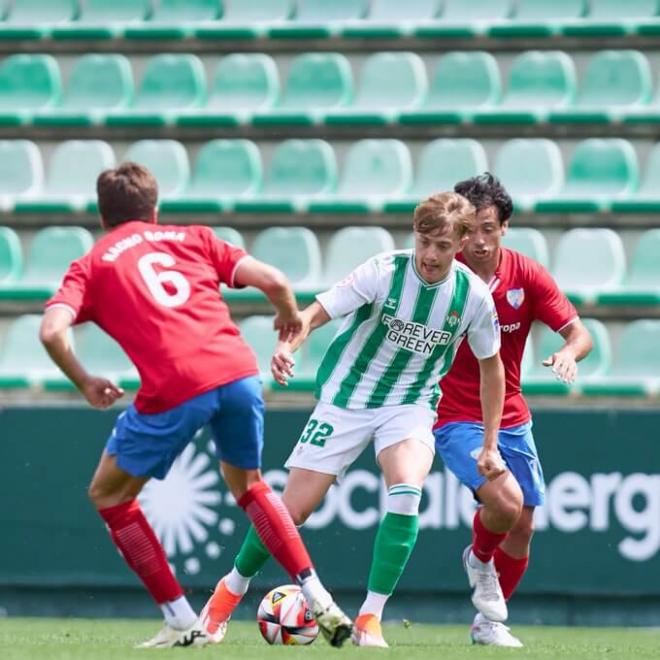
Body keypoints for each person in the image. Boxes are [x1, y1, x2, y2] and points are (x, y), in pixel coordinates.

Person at [39, 162, 352, 649]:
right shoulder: (193, 237)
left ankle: (182, 619)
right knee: (250, 487)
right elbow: (273, 279)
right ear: (155, 209)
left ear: (102, 217)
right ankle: (318, 595)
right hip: (238, 372)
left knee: (110, 494)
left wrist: (84, 381)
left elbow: (51, 331)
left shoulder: (94, 263)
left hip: (177, 383)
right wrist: (290, 317)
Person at [200, 191, 506, 648]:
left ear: (460, 243)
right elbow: (314, 314)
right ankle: (228, 594)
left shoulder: (474, 297)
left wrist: (490, 442)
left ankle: (370, 618)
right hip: (347, 399)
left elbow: (492, 368)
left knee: (406, 491)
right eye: (425, 241)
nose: (430, 254)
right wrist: (288, 347)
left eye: (443, 245)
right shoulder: (383, 271)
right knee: (293, 511)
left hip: (410, 403)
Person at [433, 174, 593, 647]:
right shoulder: (445, 272)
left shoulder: (527, 275)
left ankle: (488, 624)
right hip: (455, 414)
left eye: (488, 228)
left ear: (505, 226)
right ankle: (479, 559)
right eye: (470, 231)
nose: (478, 241)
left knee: (522, 527)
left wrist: (568, 354)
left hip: (512, 416)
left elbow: (580, 334)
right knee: (504, 503)